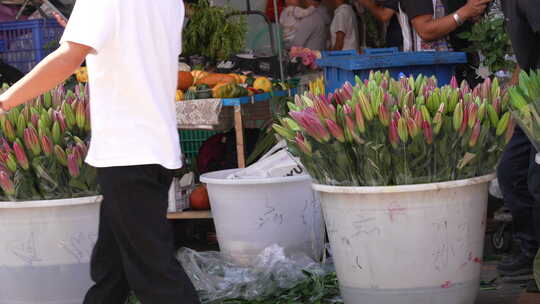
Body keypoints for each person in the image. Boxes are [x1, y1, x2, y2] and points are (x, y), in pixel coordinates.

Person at [0, 0, 200, 303]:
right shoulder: (169, 2)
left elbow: (68, 59)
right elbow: (138, 50)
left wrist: (5, 102)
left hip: (127, 152)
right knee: (111, 270)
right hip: (154, 147)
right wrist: (82, 32)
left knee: (155, 277)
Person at [497, 0, 540, 293]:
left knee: (537, 182)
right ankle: (529, 249)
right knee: (510, 171)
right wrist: (514, 100)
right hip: (531, 93)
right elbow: (523, 58)